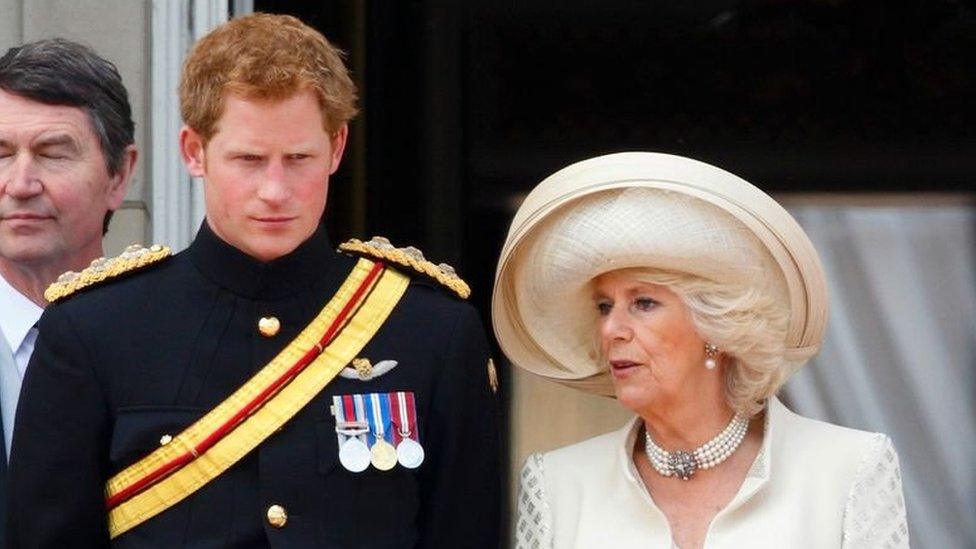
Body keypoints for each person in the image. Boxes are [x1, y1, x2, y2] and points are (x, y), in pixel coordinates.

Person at [7, 14, 500, 548]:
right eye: (248, 159)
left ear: (336, 148)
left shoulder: (431, 331)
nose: (274, 190)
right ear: (194, 151)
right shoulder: (93, 330)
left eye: (298, 159)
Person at [493, 152, 909, 548]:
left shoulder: (848, 467)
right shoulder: (559, 483)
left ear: (717, 324)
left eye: (643, 303)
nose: (612, 329)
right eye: (605, 306)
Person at [0, 38, 136, 545]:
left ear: (119, 174)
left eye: (53, 154)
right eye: (1, 154)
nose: (20, 183)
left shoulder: (175, 337)